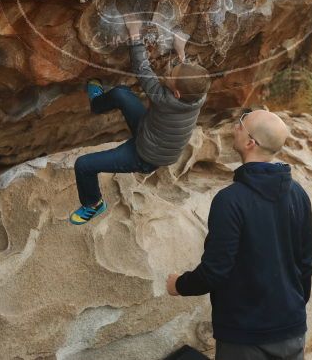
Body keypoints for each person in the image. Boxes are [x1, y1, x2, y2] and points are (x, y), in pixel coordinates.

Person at [166, 109, 312, 360]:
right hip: (292, 328)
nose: (235, 126)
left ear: (249, 143)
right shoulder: (298, 194)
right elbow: (305, 263)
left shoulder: (230, 200)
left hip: (245, 335)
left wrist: (179, 285)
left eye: (241, 124)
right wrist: (294, 308)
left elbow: (215, 270)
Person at [69, 14, 211, 225]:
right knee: (120, 94)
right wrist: (181, 52)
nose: (169, 72)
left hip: (145, 156)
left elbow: (142, 70)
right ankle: (97, 104)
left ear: (176, 94)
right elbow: (192, 80)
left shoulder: (165, 100)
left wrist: (134, 33)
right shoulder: (198, 95)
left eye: (172, 75)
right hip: (150, 132)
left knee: (83, 165)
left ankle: (93, 203)